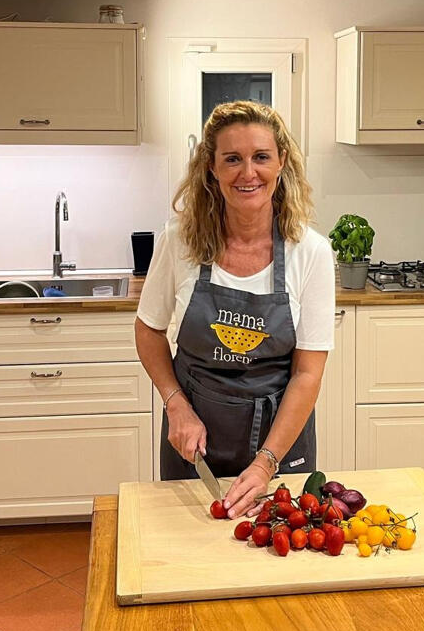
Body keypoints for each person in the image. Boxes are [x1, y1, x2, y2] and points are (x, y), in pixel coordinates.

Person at [135, 100, 335, 520]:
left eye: (261, 157)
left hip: (280, 441)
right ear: (211, 167)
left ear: (282, 162)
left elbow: (307, 374)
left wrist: (266, 463)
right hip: (194, 440)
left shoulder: (311, 252)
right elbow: (148, 329)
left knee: (276, 549)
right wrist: (175, 404)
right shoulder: (179, 240)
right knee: (185, 545)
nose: (248, 173)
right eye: (232, 159)